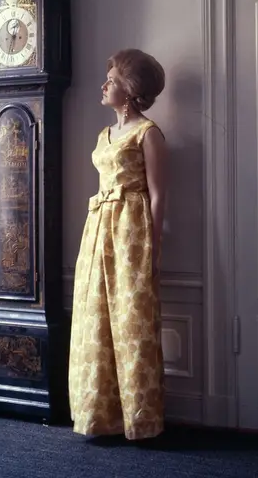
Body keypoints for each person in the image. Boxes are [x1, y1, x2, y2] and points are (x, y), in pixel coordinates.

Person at [68, 48, 167, 440]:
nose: (103, 85)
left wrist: (153, 248)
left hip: (131, 229)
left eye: (111, 80)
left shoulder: (148, 133)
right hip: (98, 227)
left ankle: (140, 420)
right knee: (95, 317)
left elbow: (157, 194)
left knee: (131, 320)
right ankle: (99, 414)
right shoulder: (103, 135)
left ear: (128, 88)